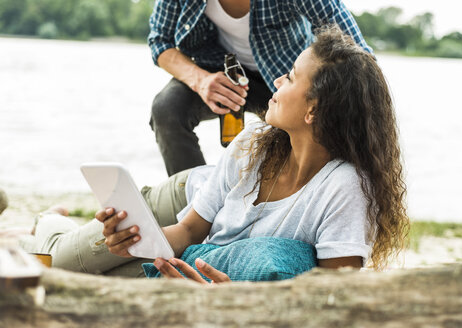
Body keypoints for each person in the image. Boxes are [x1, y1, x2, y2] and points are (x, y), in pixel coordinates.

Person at [16, 25, 407, 280]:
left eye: (289, 77)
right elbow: (188, 230)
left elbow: (335, 297)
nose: (275, 79)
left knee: (92, 278)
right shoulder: (252, 145)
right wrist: (140, 238)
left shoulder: (344, 189)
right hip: (185, 197)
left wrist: (232, 302)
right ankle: (48, 221)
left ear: (314, 109)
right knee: (59, 261)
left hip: (200, 248)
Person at [148, 0, 373, 176]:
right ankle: (192, 209)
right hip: (220, 72)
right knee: (167, 110)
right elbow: (160, 40)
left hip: (285, 78)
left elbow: (354, 51)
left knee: (302, 147)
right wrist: (200, 80)